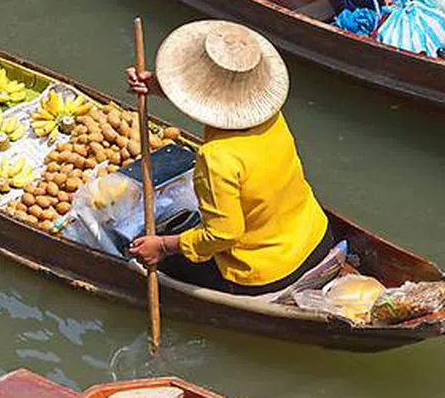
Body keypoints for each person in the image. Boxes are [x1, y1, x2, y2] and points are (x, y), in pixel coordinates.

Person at [126, 20, 333, 296]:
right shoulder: (271, 117)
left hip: (267, 272)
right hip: (317, 235)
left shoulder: (217, 158)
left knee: (138, 249)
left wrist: (163, 246)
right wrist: (157, 87)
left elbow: (223, 235)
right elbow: (222, 100)